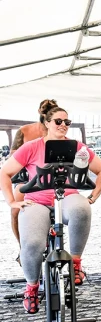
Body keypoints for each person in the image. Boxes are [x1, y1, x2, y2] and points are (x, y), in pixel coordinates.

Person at [0, 106, 101, 314]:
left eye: (67, 122)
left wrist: (94, 196)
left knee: (81, 208)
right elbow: (4, 173)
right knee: (32, 243)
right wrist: (11, 202)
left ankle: (76, 263)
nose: (63, 126)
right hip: (36, 202)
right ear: (47, 122)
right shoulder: (31, 147)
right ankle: (32, 287)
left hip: (67, 197)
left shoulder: (77, 146)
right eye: (58, 121)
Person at [8, 99, 57, 266]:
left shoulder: (58, 131)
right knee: (15, 210)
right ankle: (23, 248)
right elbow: (13, 158)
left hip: (51, 180)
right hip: (26, 179)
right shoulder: (24, 131)